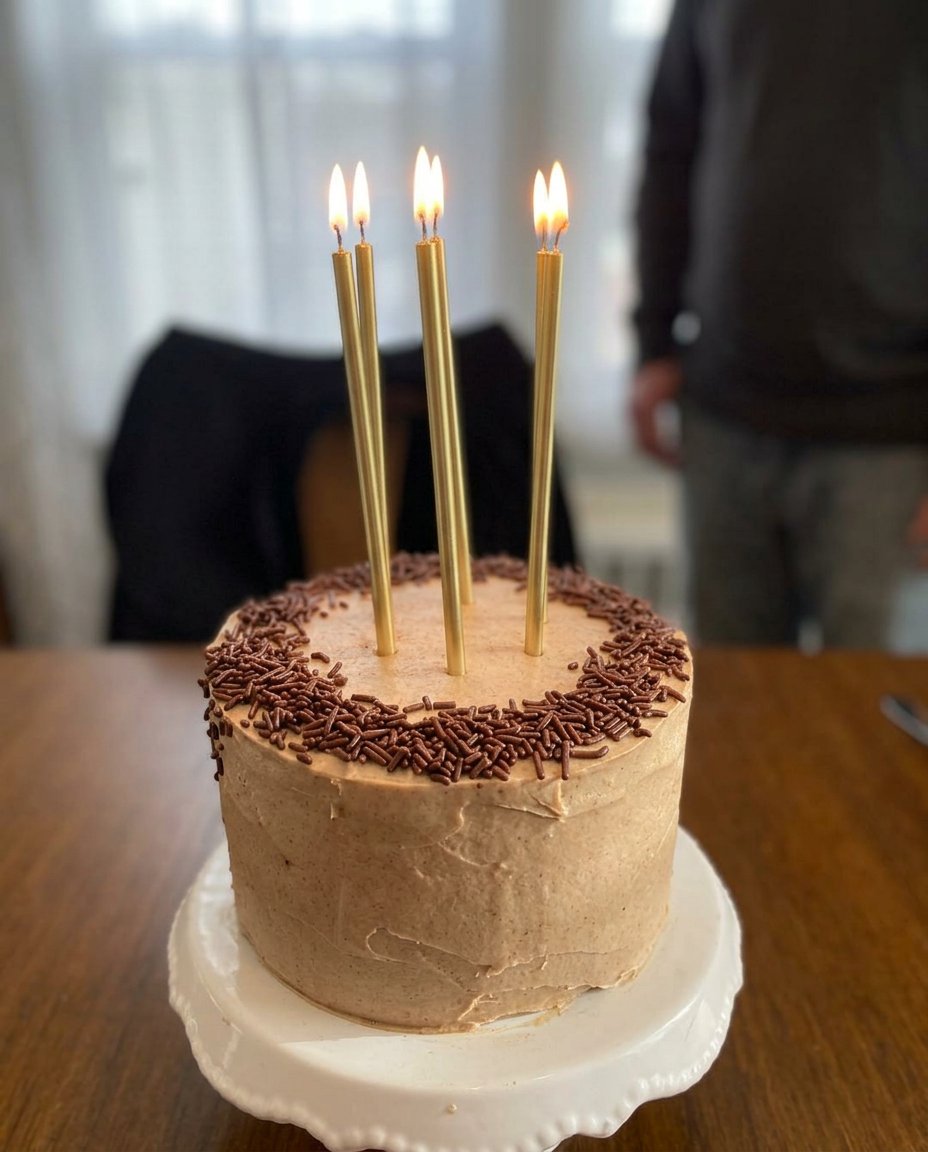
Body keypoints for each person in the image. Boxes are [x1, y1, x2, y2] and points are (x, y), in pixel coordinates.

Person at [630, 0, 928, 648]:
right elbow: (671, 147)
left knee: (873, 718)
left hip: (889, 435)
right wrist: (654, 343)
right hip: (725, 411)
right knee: (733, 710)